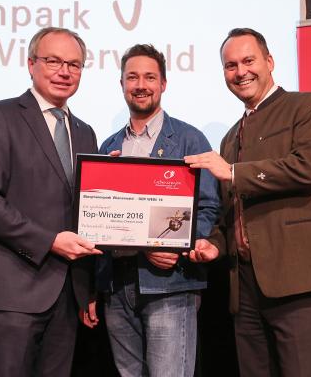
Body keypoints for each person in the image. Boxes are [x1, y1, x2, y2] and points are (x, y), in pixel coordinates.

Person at [184, 28, 311, 377]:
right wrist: (213, 244)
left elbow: (308, 168)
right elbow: (232, 215)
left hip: (297, 278)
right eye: (231, 65)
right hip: (244, 289)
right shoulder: (230, 137)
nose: (240, 71)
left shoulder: (307, 106)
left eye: (248, 60)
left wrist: (232, 170)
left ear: (269, 62)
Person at [0, 27, 101, 377]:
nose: (64, 71)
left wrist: (88, 287)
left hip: (67, 297)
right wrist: (49, 241)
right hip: (10, 291)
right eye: (53, 61)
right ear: (30, 64)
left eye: (74, 64)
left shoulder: (85, 131)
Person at [81, 44, 219, 377]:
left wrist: (170, 246)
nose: (140, 84)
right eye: (132, 77)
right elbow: (95, 219)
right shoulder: (109, 146)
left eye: (149, 77)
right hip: (117, 288)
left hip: (168, 284)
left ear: (164, 84)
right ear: (122, 84)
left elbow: (208, 206)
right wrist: (95, 286)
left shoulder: (189, 139)